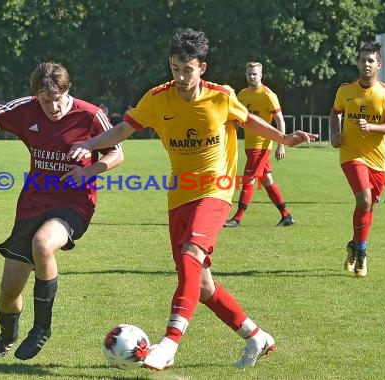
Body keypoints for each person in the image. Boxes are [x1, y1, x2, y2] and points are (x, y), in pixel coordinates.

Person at [68, 28, 316, 370]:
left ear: (202, 67)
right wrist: (90, 144)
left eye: (187, 69)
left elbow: (251, 122)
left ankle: (169, 345)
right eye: (174, 68)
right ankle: (256, 336)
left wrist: (283, 139)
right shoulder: (156, 98)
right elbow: (123, 129)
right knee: (201, 284)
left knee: (191, 255)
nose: (180, 77)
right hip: (179, 195)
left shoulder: (221, 96)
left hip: (217, 189)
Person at [0, 62, 123, 360]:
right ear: (36, 95)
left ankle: (41, 328)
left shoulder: (90, 115)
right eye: (45, 100)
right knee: (9, 292)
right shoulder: (27, 109)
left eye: (57, 99)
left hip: (74, 203)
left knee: (43, 243)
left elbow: (117, 153)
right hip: (33, 203)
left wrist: (91, 171)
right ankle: (8, 334)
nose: (52, 107)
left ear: (68, 90)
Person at [329, 41, 385, 277]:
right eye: (362, 60)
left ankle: (353, 245)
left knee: (368, 206)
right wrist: (334, 133)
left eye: (371, 60)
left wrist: (371, 126)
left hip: (378, 161)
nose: (366, 64)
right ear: (357, 63)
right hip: (351, 154)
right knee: (364, 199)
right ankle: (362, 254)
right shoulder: (345, 90)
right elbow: (335, 112)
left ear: (379, 64)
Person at [224, 62, 294, 228]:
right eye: (249, 74)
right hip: (249, 146)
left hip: (261, 146)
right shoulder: (242, 95)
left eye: (255, 74)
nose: (252, 76)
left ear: (261, 75)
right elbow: (237, 118)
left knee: (247, 180)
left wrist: (281, 144)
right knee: (267, 181)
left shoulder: (268, 95)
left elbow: (280, 121)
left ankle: (237, 218)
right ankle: (286, 215)